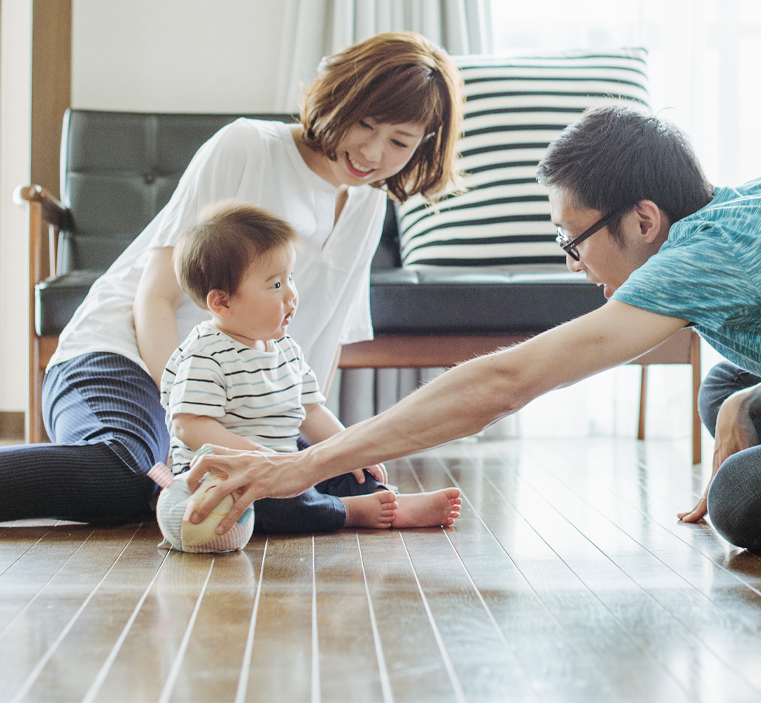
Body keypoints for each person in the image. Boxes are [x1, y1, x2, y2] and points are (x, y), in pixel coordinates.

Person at [186, 105, 761, 553]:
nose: (577, 265)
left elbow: (507, 382)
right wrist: (750, 412)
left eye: (575, 242)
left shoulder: (700, 261)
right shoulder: (759, 200)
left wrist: (301, 465)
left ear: (644, 220)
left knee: (745, 502)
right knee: (730, 387)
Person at [0, 31, 462, 526]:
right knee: (127, 472)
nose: (372, 153)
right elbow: (155, 296)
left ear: (424, 146)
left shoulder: (369, 203)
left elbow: (320, 342)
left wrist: (328, 450)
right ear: (337, 98)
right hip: (124, 355)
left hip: (231, 396)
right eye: (365, 124)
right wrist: (194, 418)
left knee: (352, 479)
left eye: (399, 141)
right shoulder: (247, 146)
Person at [161, 202, 460, 532]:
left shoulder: (286, 349)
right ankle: (348, 511)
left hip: (285, 462)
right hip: (226, 477)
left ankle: (386, 498)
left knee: (341, 463)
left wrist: (351, 450)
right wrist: (259, 456)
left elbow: (312, 413)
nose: (291, 294)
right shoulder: (205, 353)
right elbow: (190, 425)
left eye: (290, 278)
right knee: (275, 504)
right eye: (275, 285)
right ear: (222, 302)